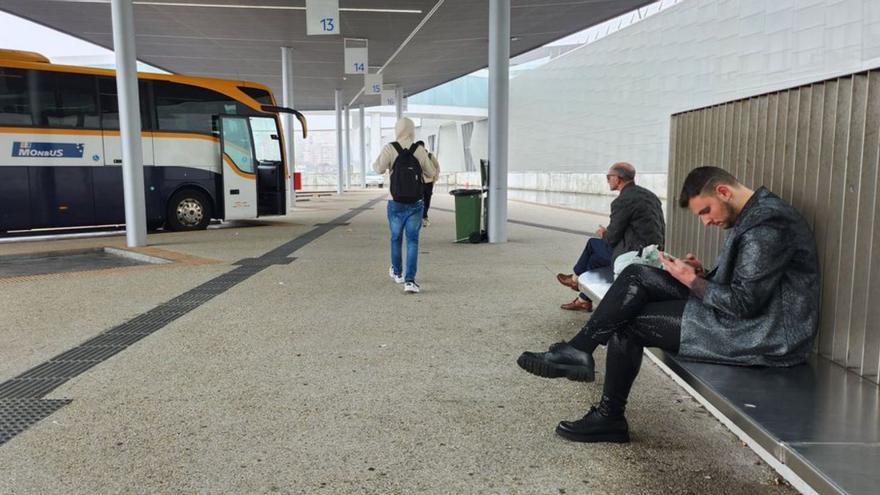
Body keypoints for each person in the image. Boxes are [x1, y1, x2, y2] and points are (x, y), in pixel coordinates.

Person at [518, 166, 820, 443]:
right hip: (746, 320)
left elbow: (744, 303)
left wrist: (692, 281)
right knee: (637, 274)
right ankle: (580, 353)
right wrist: (703, 275)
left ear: (723, 192)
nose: (706, 222)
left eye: (705, 211)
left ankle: (606, 410)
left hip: (762, 336)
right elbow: (746, 284)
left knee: (629, 320)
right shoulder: (757, 215)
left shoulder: (767, 226)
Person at [556, 162, 665, 312]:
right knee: (595, 259)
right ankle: (583, 300)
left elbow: (611, 238)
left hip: (633, 256)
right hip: (654, 253)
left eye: (608, 177)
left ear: (618, 178)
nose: (607, 180)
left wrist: (603, 232)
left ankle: (574, 279)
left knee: (593, 244)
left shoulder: (622, 201)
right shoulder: (651, 196)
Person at [372, 118, 436, 294]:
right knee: (413, 240)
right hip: (416, 203)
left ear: (397, 130)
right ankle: (410, 281)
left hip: (395, 202)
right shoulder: (419, 150)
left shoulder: (390, 148)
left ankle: (397, 272)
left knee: (395, 237)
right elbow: (431, 172)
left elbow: (377, 168)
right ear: (412, 130)